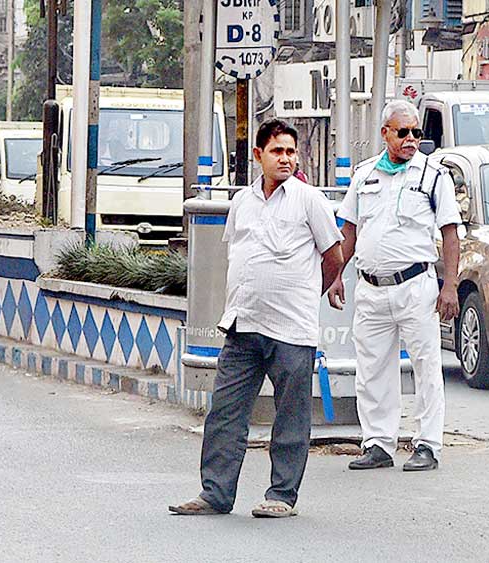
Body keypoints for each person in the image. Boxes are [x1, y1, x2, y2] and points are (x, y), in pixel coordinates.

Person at [169, 119, 344, 518]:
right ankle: (215, 492)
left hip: (291, 330)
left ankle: (282, 495)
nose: (285, 158)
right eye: (277, 151)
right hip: (242, 324)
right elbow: (240, 254)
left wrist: (304, 296)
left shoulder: (308, 199)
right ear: (258, 155)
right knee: (225, 412)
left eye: (290, 151)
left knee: (291, 417)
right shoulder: (243, 202)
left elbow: (333, 257)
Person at [327, 100, 461, 472]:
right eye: (403, 132)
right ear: (385, 133)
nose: (411, 140)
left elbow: (450, 233)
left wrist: (449, 285)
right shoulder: (365, 174)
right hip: (371, 288)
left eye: (417, 133)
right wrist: (336, 273)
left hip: (415, 285)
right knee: (371, 369)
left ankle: (427, 445)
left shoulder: (434, 176)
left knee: (426, 367)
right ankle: (378, 443)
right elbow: (349, 231)